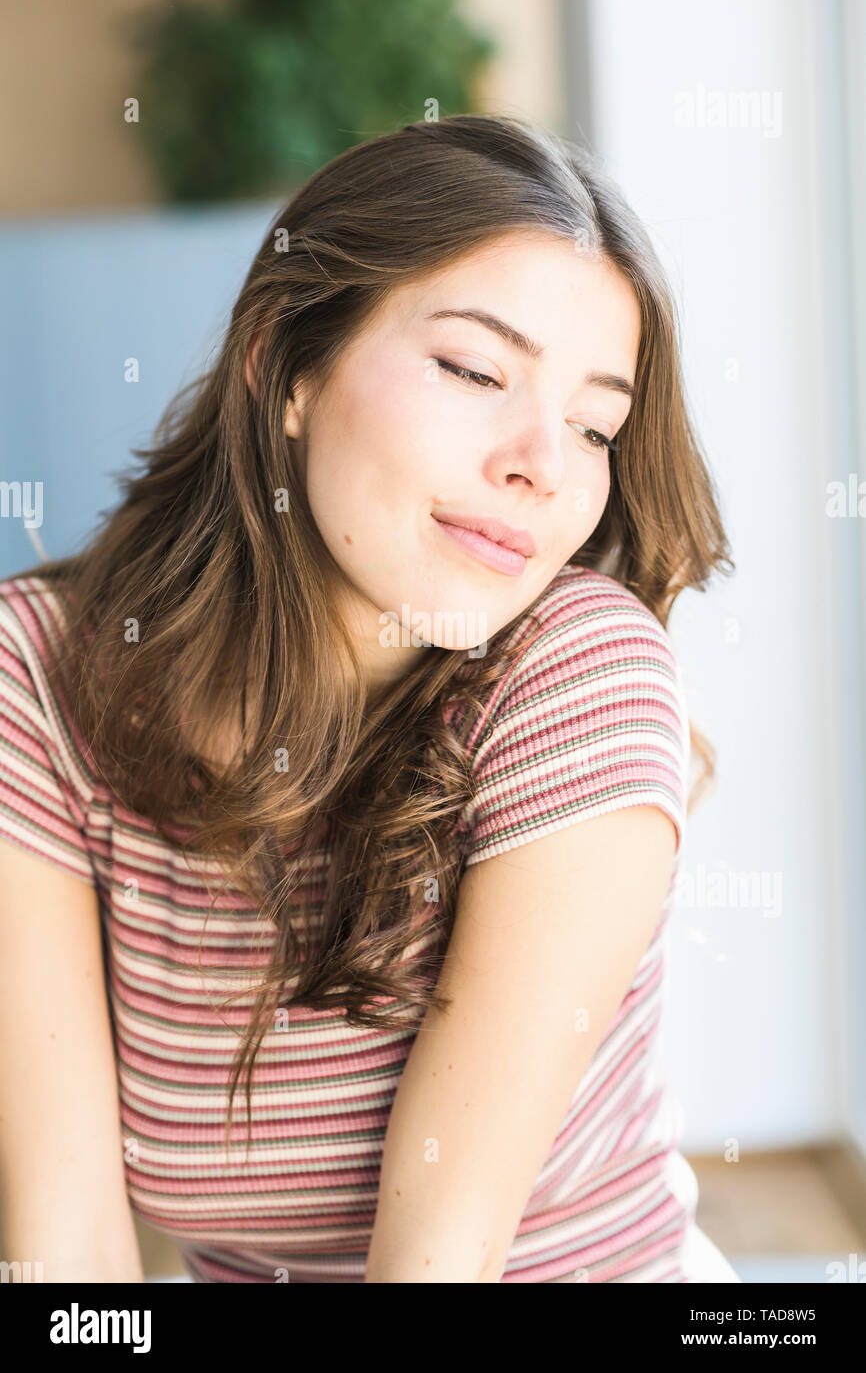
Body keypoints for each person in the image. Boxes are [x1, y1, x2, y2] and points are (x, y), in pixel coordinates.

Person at [0, 112, 738, 1283]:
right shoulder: (38, 677)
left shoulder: (577, 674)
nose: (541, 464)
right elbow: (66, 1248)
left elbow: (435, 1263)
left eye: (594, 425)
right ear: (285, 366)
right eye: (472, 370)